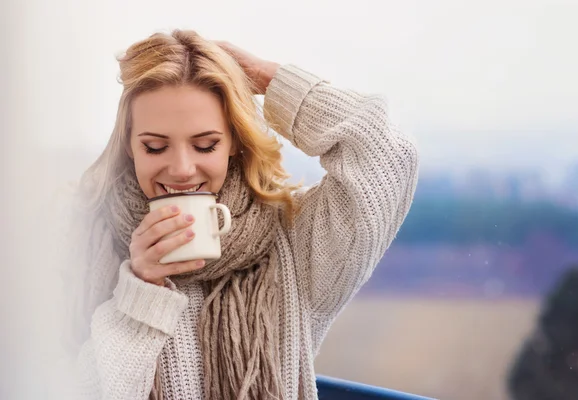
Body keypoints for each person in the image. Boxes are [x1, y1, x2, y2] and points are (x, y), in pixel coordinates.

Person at [63, 29, 419, 400]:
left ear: (234, 139)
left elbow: (387, 153)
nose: (182, 168)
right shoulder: (91, 241)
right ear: (129, 146)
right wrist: (140, 291)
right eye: (155, 147)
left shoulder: (295, 241)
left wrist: (268, 79)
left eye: (205, 145)